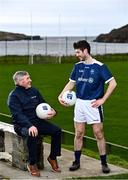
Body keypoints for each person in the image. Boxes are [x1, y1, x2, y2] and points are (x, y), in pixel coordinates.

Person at [58, 40, 117, 173]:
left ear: (85, 51)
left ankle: (104, 163)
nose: (76, 54)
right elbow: (71, 84)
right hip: (79, 103)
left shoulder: (100, 66)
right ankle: (76, 161)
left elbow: (113, 83)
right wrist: (60, 95)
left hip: (93, 104)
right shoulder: (77, 66)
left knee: (98, 133)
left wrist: (103, 100)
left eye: (78, 52)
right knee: (78, 133)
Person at [7, 71, 61, 177]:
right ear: (21, 81)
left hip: (37, 122)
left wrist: (53, 111)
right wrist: (29, 126)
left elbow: (43, 104)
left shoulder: (34, 91)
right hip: (21, 125)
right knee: (33, 133)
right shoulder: (14, 96)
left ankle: (52, 157)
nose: (30, 80)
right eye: (28, 78)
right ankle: (32, 164)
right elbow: (18, 115)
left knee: (57, 130)